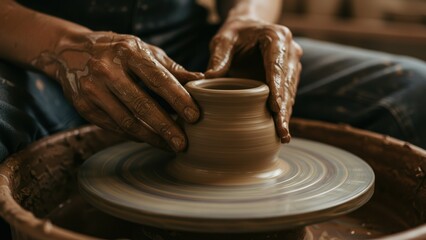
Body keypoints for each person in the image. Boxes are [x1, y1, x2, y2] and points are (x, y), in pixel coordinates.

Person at [0, 0, 425, 164]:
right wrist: (62, 46)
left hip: (191, 44)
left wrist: (248, 18)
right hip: (38, 46)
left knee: (413, 91)